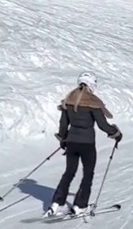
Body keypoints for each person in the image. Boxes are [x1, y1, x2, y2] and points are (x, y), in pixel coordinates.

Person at [48, 73, 122, 217]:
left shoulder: (69, 100)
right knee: (88, 174)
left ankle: (57, 203)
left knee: (69, 172)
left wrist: (63, 139)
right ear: (92, 85)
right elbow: (103, 125)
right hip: (87, 144)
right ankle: (79, 206)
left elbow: (63, 124)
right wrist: (116, 133)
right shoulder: (92, 102)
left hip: (71, 143)